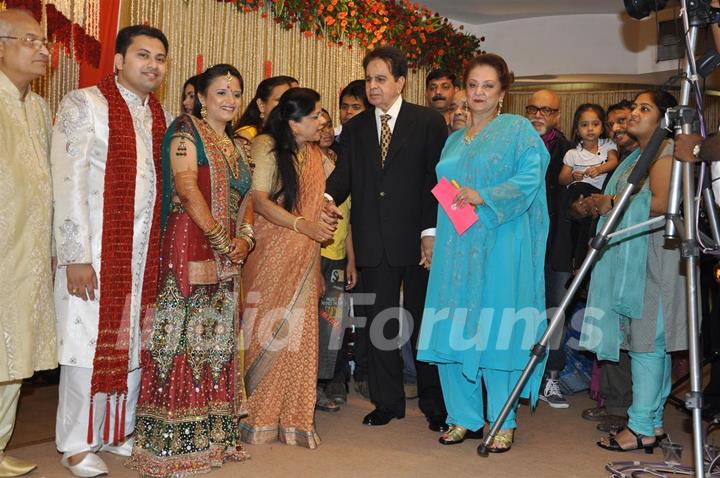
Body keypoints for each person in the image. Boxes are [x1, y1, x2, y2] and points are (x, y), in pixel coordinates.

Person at [51, 25, 172, 477]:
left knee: (133, 340)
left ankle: (116, 430)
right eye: (143, 55)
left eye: (160, 58)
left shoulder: (155, 115)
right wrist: (75, 254)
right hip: (96, 253)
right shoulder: (85, 104)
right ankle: (77, 444)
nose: (153, 65)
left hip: (142, 255)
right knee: (86, 344)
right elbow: (68, 181)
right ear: (118, 60)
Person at [417, 53, 549, 452]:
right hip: (457, 244)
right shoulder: (454, 137)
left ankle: (503, 419)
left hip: (502, 241)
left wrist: (485, 196)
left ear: (503, 93)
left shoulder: (518, 129)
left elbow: (530, 176)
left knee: (497, 329)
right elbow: (444, 189)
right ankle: (463, 417)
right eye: (472, 85)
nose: (478, 93)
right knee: (454, 327)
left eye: (488, 86)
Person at [126, 64, 253, 477]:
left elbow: (247, 198)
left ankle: (211, 438)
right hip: (189, 241)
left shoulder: (236, 146)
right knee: (183, 334)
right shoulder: (186, 132)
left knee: (215, 340)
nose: (230, 100)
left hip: (227, 250)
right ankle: (170, 442)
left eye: (235, 93)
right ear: (201, 96)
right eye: (220, 92)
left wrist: (245, 239)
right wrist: (220, 239)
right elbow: (185, 187)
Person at [326, 46, 448, 431]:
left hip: (418, 241)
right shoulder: (357, 127)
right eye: (369, 79)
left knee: (424, 323)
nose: (373, 86)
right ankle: (387, 401)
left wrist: (430, 232)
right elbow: (345, 174)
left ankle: (435, 405)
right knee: (379, 325)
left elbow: (437, 181)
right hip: (373, 240)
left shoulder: (427, 121)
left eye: (381, 79)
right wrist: (327, 198)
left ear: (400, 81)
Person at [578, 90, 687, 453]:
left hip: (654, 256)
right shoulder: (638, 155)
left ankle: (640, 426)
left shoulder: (666, 152)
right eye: (635, 107)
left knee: (648, 344)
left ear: (665, 119)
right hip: (637, 256)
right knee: (647, 344)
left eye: (645, 108)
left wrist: (610, 202)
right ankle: (651, 421)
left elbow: (660, 204)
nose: (633, 115)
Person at [241, 87, 333, 448]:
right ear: (294, 123)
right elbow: (260, 202)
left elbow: (322, 197)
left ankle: (293, 419)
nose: (323, 121)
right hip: (271, 252)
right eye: (315, 116)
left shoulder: (314, 155)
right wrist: (303, 225)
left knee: (302, 335)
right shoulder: (265, 146)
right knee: (268, 329)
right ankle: (259, 418)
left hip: (306, 255)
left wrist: (321, 213)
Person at [0, 9, 56, 476]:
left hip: (30, 252)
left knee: (16, 351)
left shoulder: (38, 108)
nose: (43, 50)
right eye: (30, 41)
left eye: (45, 42)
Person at [579, 100, 638, 432]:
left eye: (624, 120)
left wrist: (607, 203)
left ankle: (630, 409)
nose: (617, 127)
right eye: (613, 122)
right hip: (608, 252)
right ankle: (615, 402)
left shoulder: (649, 157)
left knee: (631, 335)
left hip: (633, 255)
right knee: (611, 330)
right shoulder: (621, 162)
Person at [525, 89, 573, 409]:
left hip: (556, 243)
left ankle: (551, 376)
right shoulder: (515, 145)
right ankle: (521, 374)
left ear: (557, 115)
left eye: (546, 110)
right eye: (533, 108)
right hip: (522, 242)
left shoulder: (571, 152)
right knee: (522, 310)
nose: (539, 115)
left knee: (555, 310)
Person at [316, 109, 357, 411]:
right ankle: (312, 387)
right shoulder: (308, 165)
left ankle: (330, 382)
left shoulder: (342, 164)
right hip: (316, 255)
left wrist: (351, 261)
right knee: (314, 326)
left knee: (334, 325)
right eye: (319, 124)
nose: (326, 129)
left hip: (339, 257)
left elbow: (350, 220)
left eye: (329, 124)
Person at [560, 104, 618, 279]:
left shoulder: (608, 145)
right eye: (584, 125)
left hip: (596, 194)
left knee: (588, 230)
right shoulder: (572, 153)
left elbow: (614, 161)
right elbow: (562, 179)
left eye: (595, 124)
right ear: (577, 129)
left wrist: (600, 169)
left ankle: (582, 266)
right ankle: (576, 265)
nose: (590, 129)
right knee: (575, 230)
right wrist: (573, 176)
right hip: (577, 193)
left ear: (602, 127)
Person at [234, 76, 295, 149]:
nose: (288, 106)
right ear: (261, 105)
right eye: (281, 100)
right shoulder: (246, 136)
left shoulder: (292, 134)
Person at [425, 68, 459, 132]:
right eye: (432, 88)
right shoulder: (417, 125)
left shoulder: (464, 124)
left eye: (445, 87)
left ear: (456, 91)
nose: (438, 92)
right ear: (426, 94)